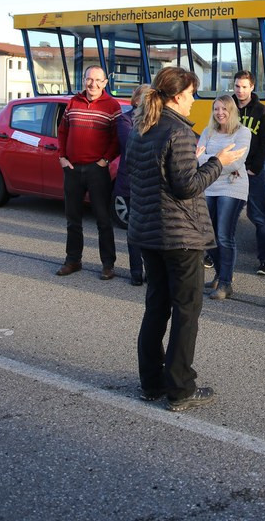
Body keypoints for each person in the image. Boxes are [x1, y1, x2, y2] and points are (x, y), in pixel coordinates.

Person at [128, 67, 246, 412]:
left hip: (148, 232)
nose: (195, 100)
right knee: (186, 312)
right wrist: (217, 162)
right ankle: (180, 388)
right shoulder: (176, 131)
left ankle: (151, 382)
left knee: (156, 308)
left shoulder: (142, 127)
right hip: (179, 235)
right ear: (177, 96)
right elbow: (187, 186)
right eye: (192, 94)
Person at [56, 65, 122, 280]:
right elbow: (63, 131)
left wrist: (105, 160)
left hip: (97, 170)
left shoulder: (112, 106)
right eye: (89, 79)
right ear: (84, 80)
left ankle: (108, 265)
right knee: (72, 219)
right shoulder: (73, 103)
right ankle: (73, 260)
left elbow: (116, 138)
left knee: (103, 220)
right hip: (73, 169)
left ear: (105, 83)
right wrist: (62, 157)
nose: (92, 84)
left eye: (97, 80)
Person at [199, 95, 252, 300]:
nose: (219, 113)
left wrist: (208, 161)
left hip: (232, 189)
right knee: (207, 236)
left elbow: (236, 164)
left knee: (223, 235)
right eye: (216, 109)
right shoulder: (208, 131)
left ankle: (225, 283)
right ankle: (221, 274)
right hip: (209, 187)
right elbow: (196, 159)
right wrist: (220, 159)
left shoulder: (242, 133)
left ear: (232, 111)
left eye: (224, 109)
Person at [233, 70, 265, 276]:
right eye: (236, 86)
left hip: (251, 172)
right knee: (226, 215)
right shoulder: (227, 107)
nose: (240, 91)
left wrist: (254, 168)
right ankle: (215, 255)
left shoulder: (262, 112)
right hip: (230, 170)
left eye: (244, 87)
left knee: (258, 217)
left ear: (251, 87)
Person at [115, 83, 152, 286]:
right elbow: (132, 144)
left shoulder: (157, 119)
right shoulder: (125, 120)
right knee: (134, 232)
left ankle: (152, 271)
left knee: (149, 232)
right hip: (130, 184)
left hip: (151, 185)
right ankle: (136, 272)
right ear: (137, 100)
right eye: (147, 98)